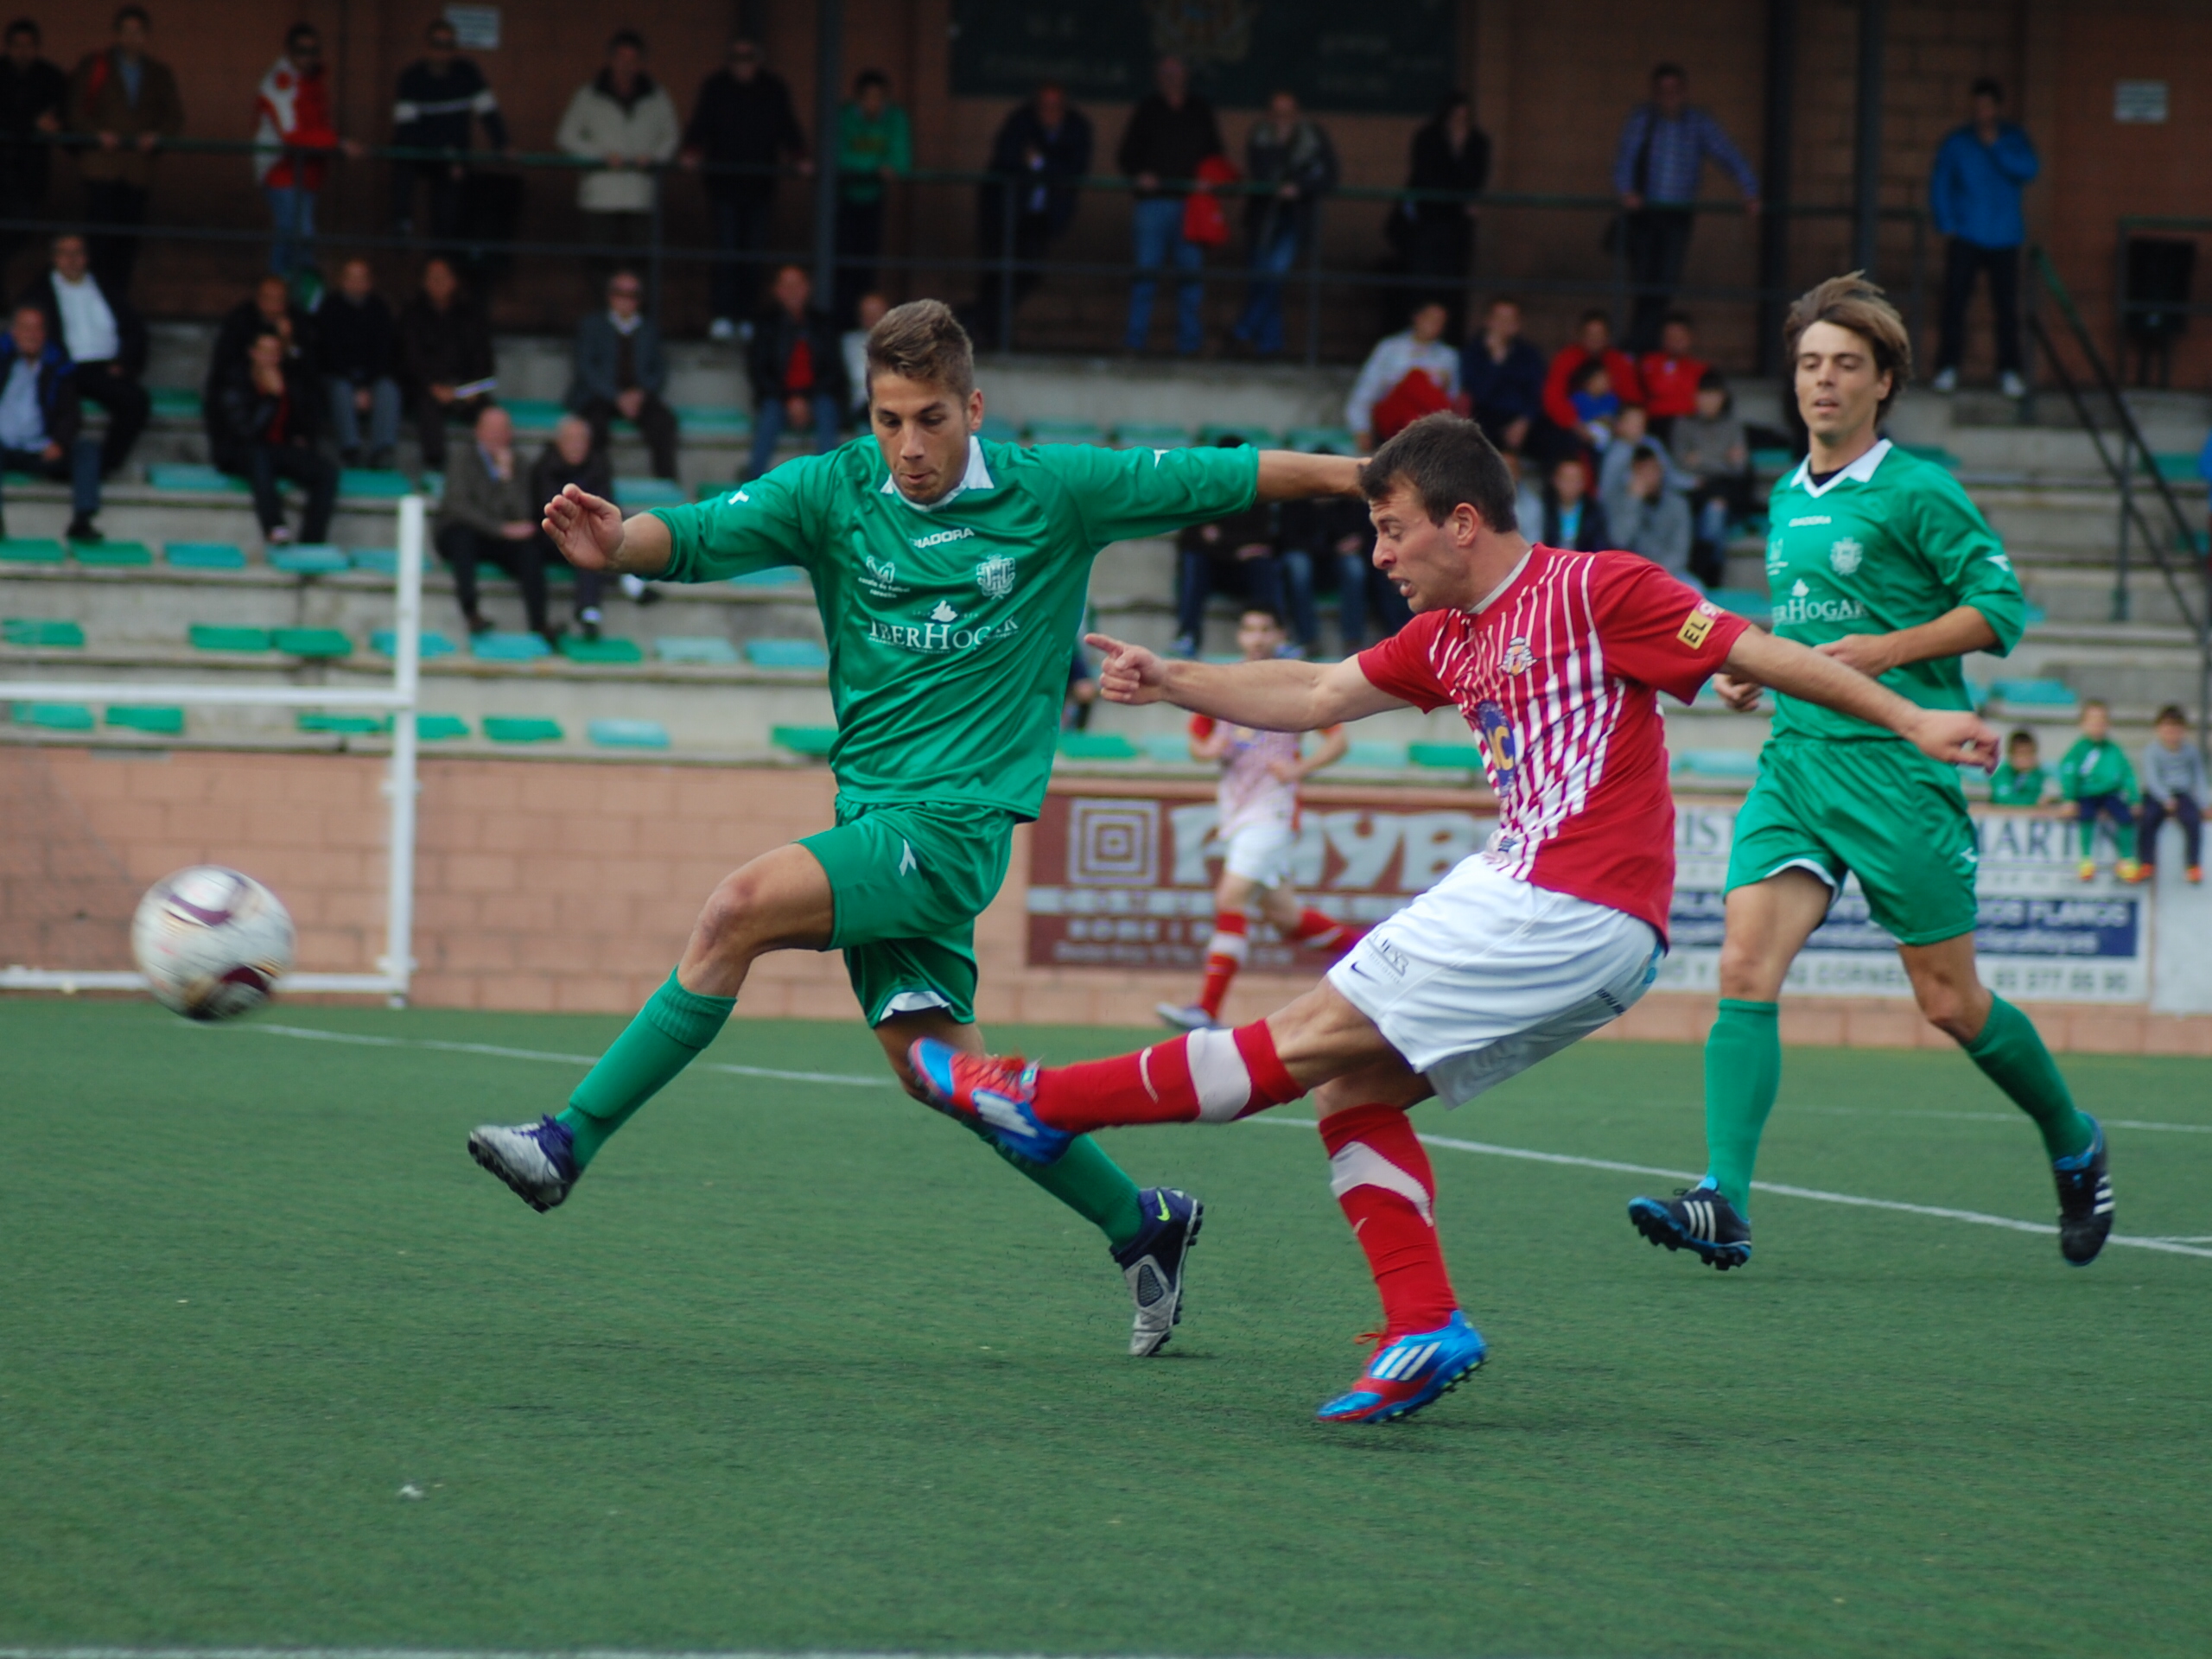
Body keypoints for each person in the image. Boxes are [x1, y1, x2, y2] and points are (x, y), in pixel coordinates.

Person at [904, 412, 1996, 1425]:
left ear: (1460, 523)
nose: (1377, 555)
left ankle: (1044, 1102)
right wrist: (1174, 678)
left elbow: (1757, 651)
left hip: (1559, 900)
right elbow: (1320, 694)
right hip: (1579, 926)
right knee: (1352, 1089)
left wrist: (1911, 715)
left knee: (1297, 1043)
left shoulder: (1595, 589)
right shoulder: (1446, 635)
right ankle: (1423, 1322)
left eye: (1392, 531)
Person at [467, 297, 1373, 1364]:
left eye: (931, 419)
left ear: (973, 407)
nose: (908, 446)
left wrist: (1374, 479)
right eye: (889, 418)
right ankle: (1144, 1222)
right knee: (943, 1076)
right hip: (873, 816)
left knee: (736, 910)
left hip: (950, 833)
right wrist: (619, 540)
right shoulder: (835, 489)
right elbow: (701, 535)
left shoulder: (1056, 492)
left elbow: (1234, 474)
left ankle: (569, 1141)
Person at [1626, 271, 2114, 1274]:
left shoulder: (1918, 489)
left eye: (1846, 365)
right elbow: (1812, 632)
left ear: (1882, 381)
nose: (1823, 382)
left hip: (1899, 772)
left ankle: (2073, 1139)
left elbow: (2001, 611)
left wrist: (1886, 655)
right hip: (1798, 764)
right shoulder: (1781, 494)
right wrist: (1759, 671)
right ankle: (1724, 1198)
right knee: (1743, 969)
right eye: (1809, 364)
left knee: (1949, 1004)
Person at [1157, 605, 1354, 1032]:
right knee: (1286, 916)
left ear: (1278, 635)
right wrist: (1207, 751)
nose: (1257, 637)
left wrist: (1299, 770)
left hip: (1273, 809)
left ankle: (1206, 1009)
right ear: (1241, 637)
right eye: (1250, 628)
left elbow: (1338, 741)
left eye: (1266, 628)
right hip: (1236, 809)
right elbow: (1198, 742)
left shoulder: (1291, 682)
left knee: (1230, 897)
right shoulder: (1223, 683)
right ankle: (1374, 952)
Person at [1611, 64, 1758, 353]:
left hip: (1678, 215)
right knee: (1642, 279)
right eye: (1663, 90)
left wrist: (1750, 190)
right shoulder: (1642, 119)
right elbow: (1625, 158)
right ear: (1654, 93)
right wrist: (1626, 191)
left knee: (1665, 280)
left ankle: (1643, 343)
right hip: (1645, 214)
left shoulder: (1698, 123)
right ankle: (1641, 343)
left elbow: (1728, 155)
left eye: (1675, 90)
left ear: (1685, 92)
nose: (1669, 96)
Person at [682, 36, 811, 342]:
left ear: (758, 60)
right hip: (723, 186)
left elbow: (787, 127)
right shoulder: (715, 87)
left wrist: (800, 157)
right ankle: (724, 315)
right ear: (730, 61)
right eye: (737, 59)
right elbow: (700, 124)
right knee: (726, 250)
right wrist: (692, 150)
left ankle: (747, 315)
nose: (743, 66)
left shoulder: (773, 89)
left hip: (760, 187)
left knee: (754, 252)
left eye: (748, 59)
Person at [1929, 78, 2038, 399]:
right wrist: (1946, 221)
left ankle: (2009, 371)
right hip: (1966, 234)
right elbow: (1941, 181)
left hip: (2005, 236)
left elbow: (2029, 169)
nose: (1982, 113)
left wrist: (1997, 146)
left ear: (1998, 108)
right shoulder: (1958, 141)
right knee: (1955, 304)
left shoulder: (2014, 138)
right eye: (1977, 107)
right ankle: (1947, 368)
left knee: (2006, 308)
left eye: (1988, 107)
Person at [66, 5, 182, 293]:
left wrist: (157, 136)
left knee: (127, 241)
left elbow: (174, 116)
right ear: (116, 34)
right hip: (101, 166)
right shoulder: (95, 65)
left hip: (137, 170)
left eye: (139, 32)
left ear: (147, 36)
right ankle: (93, 295)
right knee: (98, 238)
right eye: (127, 32)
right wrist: (96, 134)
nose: (133, 38)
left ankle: (117, 299)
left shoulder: (159, 73)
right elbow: (74, 110)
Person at [1116, 56, 1224, 357]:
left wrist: (1207, 179)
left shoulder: (1199, 109)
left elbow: (1216, 154)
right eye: (1165, 73)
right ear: (1157, 76)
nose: (1171, 78)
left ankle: (1190, 344)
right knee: (1145, 275)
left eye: (1176, 72)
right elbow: (1126, 156)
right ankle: (1134, 343)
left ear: (1186, 75)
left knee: (1190, 278)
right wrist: (1141, 174)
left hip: (1191, 206)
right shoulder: (1147, 109)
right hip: (1153, 205)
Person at [971, 82, 1091, 348]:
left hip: (1042, 217)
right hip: (1006, 214)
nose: (1049, 112)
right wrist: (1045, 167)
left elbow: (1074, 169)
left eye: (1055, 106)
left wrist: (1040, 163)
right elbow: (1006, 157)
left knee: (1029, 272)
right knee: (999, 273)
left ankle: (983, 321)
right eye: (1044, 106)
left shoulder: (1076, 127)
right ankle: (989, 329)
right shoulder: (1020, 121)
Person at [20, 231, 148, 480]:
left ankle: (104, 467)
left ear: (86, 258)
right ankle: (58, 469)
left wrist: (124, 363)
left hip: (104, 368)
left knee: (136, 401)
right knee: (62, 408)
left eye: (77, 254)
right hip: (63, 367)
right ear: (54, 258)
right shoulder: (39, 293)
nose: (72, 260)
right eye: (65, 254)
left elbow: (134, 329)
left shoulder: (106, 287)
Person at [555, 30, 680, 283]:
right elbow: (566, 136)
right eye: (621, 58)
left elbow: (672, 136)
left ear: (641, 63)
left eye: (633, 59)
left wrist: (654, 158)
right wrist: (600, 156)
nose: (627, 65)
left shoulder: (657, 97)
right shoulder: (588, 96)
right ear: (610, 60)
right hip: (601, 194)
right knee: (598, 259)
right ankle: (605, 316)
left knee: (642, 260)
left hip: (640, 193)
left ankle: (638, 318)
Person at [206, 327, 336, 547]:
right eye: (264, 352)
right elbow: (246, 433)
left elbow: (307, 420)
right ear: (252, 353)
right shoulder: (234, 382)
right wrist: (272, 399)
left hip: (279, 449)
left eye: (274, 353)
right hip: (241, 451)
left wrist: (300, 433)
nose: (269, 359)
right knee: (259, 456)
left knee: (326, 471)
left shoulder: (290, 380)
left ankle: (312, 541)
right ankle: (274, 527)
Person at [438, 403, 556, 645]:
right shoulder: (461, 458)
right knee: (463, 538)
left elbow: (521, 512)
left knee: (529, 551)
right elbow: (458, 507)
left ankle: (540, 624)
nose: (497, 436)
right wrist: (500, 528)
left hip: (501, 537)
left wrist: (506, 478)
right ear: (478, 432)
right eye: (492, 430)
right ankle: (471, 612)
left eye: (503, 430)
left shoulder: (519, 464)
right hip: (466, 531)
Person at [1231, 91, 1335, 358]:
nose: (1283, 118)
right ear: (1269, 114)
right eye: (1277, 113)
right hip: (1264, 217)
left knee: (1275, 275)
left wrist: (1298, 187)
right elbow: (1261, 171)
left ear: (1298, 112)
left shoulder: (1313, 135)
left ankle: (1242, 331)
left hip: (1295, 218)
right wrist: (1279, 176)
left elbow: (1329, 175)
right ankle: (1270, 345)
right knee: (1263, 279)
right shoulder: (1260, 134)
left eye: (1288, 112)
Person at [252, 23, 361, 278]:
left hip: (308, 171)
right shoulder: (280, 82)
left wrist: (332, 142)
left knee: (297, 235)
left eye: (313, 51)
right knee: (297, 231)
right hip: (280, 168)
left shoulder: (315, 81)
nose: (308, 57)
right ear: (289, 51)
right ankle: (283, 292)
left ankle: (295, 298)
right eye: (301, 50)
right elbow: (291, 135)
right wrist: (337, 143)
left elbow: (318, 124)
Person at [391, 16, 508, 244]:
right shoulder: (411, 77)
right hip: (421, 150)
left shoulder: (467, 72)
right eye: (437, 44)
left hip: (453, 157)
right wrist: (443, 151)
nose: (442, 51)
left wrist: (503, 143)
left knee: (448, 212)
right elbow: (406, 129)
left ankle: (441, 257)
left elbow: (489, 111)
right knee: (402, 160)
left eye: (449, 45)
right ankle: (401, 223)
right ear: (426, 46)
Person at [1173, 436, 1284, 658]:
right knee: (1194, 561)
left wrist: (1221, 540)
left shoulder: (1258, 495)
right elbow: (1189, 541)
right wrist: (1236, 548)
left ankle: (1276, 635)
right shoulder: (1203, 496)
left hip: (1244, 571)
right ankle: (1188, 635)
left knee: (1263, 564)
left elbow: (1265, 540)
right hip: (1212, 571)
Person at [0, 302, 100, 541]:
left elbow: (71, 414)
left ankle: (82, 521)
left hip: (40, 449)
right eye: (25, 328)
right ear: (14, 333)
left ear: (44, 334)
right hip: (3, 447)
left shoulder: (58, 366)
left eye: (36, 329)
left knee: (86, 449)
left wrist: (60, 442)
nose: (31, 335)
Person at [569, 269, 678, 481]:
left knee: (664, 423)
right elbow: (585, 369)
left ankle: (666, 485)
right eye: (620, 293)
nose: (625, 300)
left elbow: (659, 368)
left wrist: (640, 393)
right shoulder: (592, 325)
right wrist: (616, 396)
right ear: (610, 296)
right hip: (600, 397)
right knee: (594, 425)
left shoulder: (649, 329)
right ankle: (597, 482)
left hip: (638, 397)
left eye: (632, 295)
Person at [1278, 477, 1402, 655]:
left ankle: (1352, 640)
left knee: (1354, 566)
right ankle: (1307, 639)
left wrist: (1348, 545)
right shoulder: (1294, 503)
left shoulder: (1348, 504)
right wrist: (1331, 549)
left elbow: (1358, 536)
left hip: (1335, 566)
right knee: (1299, 566)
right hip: (1309, 561)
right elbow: (1289, 540)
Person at [1395, 92, 1488, 329]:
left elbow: (1477, 177)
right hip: (1429, 222)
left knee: (1453, 284)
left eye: (1464, 118)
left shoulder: (1478, 141)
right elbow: (1426, 176)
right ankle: (1415, 332)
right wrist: (1458, 201)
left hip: (1458, 229)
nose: (1459, 122)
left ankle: (1450, 335)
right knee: (1423, 281)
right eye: (1455, 116)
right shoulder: (1428, 138)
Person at [745, 262, 843, 479]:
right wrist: (790, 399)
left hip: (817, 396)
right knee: (768, 418)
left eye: (797, 285)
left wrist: (806, 398)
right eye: (786, 286)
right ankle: (752, 485)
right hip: (778, 397)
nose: (792, 292)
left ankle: (828, 484)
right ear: (777, 291)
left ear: (808, 288)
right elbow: (759, 371)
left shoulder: (823, 324)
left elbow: (834, 371)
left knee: (828, 412)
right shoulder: (766, 325)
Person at [397, 255, 493, 471]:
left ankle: (490, 468)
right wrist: (432, 387)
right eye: (433, 278)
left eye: (443, 278)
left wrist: (467, 389)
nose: (438, 284)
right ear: (424, 282)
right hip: (427, 389)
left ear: (454, 281)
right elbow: (409, 360)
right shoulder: (413, 315)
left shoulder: (471, 315)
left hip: (465, 390)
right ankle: (434, 468)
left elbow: (485, 366)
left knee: (491, 415)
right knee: (426, 408)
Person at [833, 69, 911, 327]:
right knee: (841, 263)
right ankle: (841, 321)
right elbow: (838, 156)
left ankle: (863, 322)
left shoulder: (895, 118)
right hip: (842, 199)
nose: (873, 104)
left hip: (875, 201)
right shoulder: (844, 117)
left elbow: (900, 161)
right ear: (858, 98)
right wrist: (874, 167)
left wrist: (870, 168)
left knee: (867, 265)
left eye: (879, 98)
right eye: (868, 98)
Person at [531, 412, 613, 639]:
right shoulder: (544, 467)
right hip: (551, 538)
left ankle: (591, 609)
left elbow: (608, 506)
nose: (577, 446)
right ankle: (625, 583)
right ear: (559, 442)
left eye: (581, 440)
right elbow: (548, 509)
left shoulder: (598, 466)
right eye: (571, 440)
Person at [315, 257, 399, 468]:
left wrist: (367, 386)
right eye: (351, 279)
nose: (355, 284)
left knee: (388, 389)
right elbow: (328, 354)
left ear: (369, 282)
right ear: (342, 281)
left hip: (372, 378)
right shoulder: (329, 308)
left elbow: (386, 352)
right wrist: (355, 386)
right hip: (339, 376)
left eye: (361, 279)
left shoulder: (379, 309)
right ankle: (350, 450)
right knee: (340, 389)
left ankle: (383, 450)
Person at [1345, 300, 1460, 453]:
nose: (1435, 325)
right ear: (1417, 318)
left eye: (1440, 322)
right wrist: (1362, 429)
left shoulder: (1448, 357)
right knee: (1415, 379)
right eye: (1430, 319)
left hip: (1430, 426)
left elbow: (1453, 399)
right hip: (1394, 424)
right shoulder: (1390, 349)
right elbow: (1365, 392)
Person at [1673, 369, 1750, 587]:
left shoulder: (1732, 426)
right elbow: (1681, 464)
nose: (1708, 401)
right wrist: (1721, 459)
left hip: (1724, 489)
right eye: (1703, 395)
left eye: (1713, 395)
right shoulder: (1683, 425)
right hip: (1692, 489)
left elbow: (1738, 468)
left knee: (1715, 512)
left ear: (1722, 398)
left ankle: (1709, 575)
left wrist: (1702, 459)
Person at [0, 21, 67, 271]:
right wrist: (31, 123)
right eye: (17, 46)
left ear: (37, 47)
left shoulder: (49, 75)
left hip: (29, 173)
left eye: (28, 46)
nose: (23, 52)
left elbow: (60, 112)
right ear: (8, 47)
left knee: (21, 232)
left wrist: (51, 122)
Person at [1537, 310, 1641, 463]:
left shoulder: (1617, 361)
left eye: (1600, 334)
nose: (1595, 338)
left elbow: (1632, 398)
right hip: (1572, 427)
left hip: (1612, 426)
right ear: (1580, 335)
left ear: (1608, 336)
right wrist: (1576, 426)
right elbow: (1553, 398)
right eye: (1590, 333)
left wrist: (1621, 424)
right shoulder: (1566, 358)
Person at [2059, 699, 2140, 883]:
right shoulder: (2078, 750)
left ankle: (2126, 859)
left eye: (2101, 722)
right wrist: (2069, 798)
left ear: (2108, 725)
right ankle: (2086, 858)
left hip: (2110, 793)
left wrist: (2134, 798)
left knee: (2126, 817)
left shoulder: (2114, 750)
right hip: (2086, 793)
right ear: (2083, 724)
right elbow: (2068, 773)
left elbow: (2127, 773)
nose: (2097, 726)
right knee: (2086, 816)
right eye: (2092, 722)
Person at [207, 271, 316, 405]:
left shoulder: (297, 322)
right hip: (245, 391)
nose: (273, 306)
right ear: (258, 299)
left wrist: (288, 343)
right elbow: (226, 364)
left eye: (279, 300)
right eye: (268, 298)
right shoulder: (241, 320)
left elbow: (307, 365)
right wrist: (259, 374)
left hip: (288, 395)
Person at [1460, 296, 1546, 455]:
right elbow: (1479, 394)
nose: (1504, 324)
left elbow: (1536, 393)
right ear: (1488, 321)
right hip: (1485, 419)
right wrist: (1496, 361)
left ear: (1518, 324)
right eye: (1499, 318)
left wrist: (1525, 421)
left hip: (1522, 420)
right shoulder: (1473, 353)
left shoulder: (1529, 354)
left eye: (1510, 319)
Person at [2138, 704, 2205, 883]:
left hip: (2181, 793)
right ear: (2158, 730)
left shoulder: (2191, 752)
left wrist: (2205, 803)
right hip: (2156, 793)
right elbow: (2152, 779)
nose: (2172, 735)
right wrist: (2165, 799)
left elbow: (2199, 778)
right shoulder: (2151, 751)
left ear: (2183, 731)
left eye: (2176, 730)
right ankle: (2146, 862)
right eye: (2167, 729)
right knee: (2148, 819)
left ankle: (2193, 864)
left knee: (2193, 820)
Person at [1604, 444, 1692, 577]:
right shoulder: (1620, 502)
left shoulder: (1678, 504)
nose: (1648, 477)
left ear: (1660, 471)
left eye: (1652, 470)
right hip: (1631, 574)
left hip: (1668, 573)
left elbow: (1680, 552)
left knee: (1695, 587)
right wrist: (1633, 501)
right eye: (1642, 472)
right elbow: (1620, 541)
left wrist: (1656, 573)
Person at [1637, 313, 1707, 435]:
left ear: (1690, 338)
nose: (1675, 342)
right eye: (1671, 337)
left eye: (1680, 338)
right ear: (1663, 339)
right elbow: (1657, 388)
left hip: (1689, 423)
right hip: (1656, 423)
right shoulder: (1649, 362)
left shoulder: (1701, 369)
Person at [1539, 453, 1609, 550]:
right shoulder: (1542, 508)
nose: (1570, 484)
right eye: (1566, 479)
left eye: (1576, 479)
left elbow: (1600, 547)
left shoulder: (1594, 512)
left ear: (1584, 483)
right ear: (1554, 480)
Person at [840, 290, 886, 427]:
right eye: (867, 314)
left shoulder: (901, 343)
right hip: (861, 406)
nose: (872, 318)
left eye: (876, 313)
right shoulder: (848, 342)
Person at [1988, 728, 2051, 808]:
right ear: (2011, 754)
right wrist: (2034, 802)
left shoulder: (2038, 774)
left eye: (2030, 753)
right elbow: (2004, 801)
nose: (2025, 758)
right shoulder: (2002, 774)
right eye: (2021, 754)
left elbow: (2043, 796)